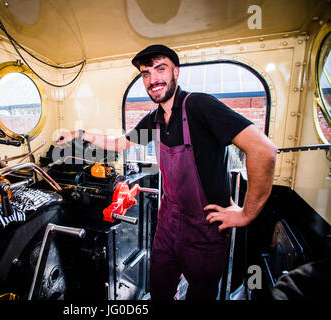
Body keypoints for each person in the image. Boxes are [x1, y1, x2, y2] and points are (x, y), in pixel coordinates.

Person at [56, 44, 277, 300]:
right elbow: (120, 143)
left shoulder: (200, 106)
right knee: (160, 290)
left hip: (205, 228)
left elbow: (264, 150)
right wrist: (78, 135)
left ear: (176, 73)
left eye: (160, 69)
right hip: (168, 224)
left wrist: (246, 214)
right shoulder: (155, 118)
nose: (153, 80)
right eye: (146, 74)